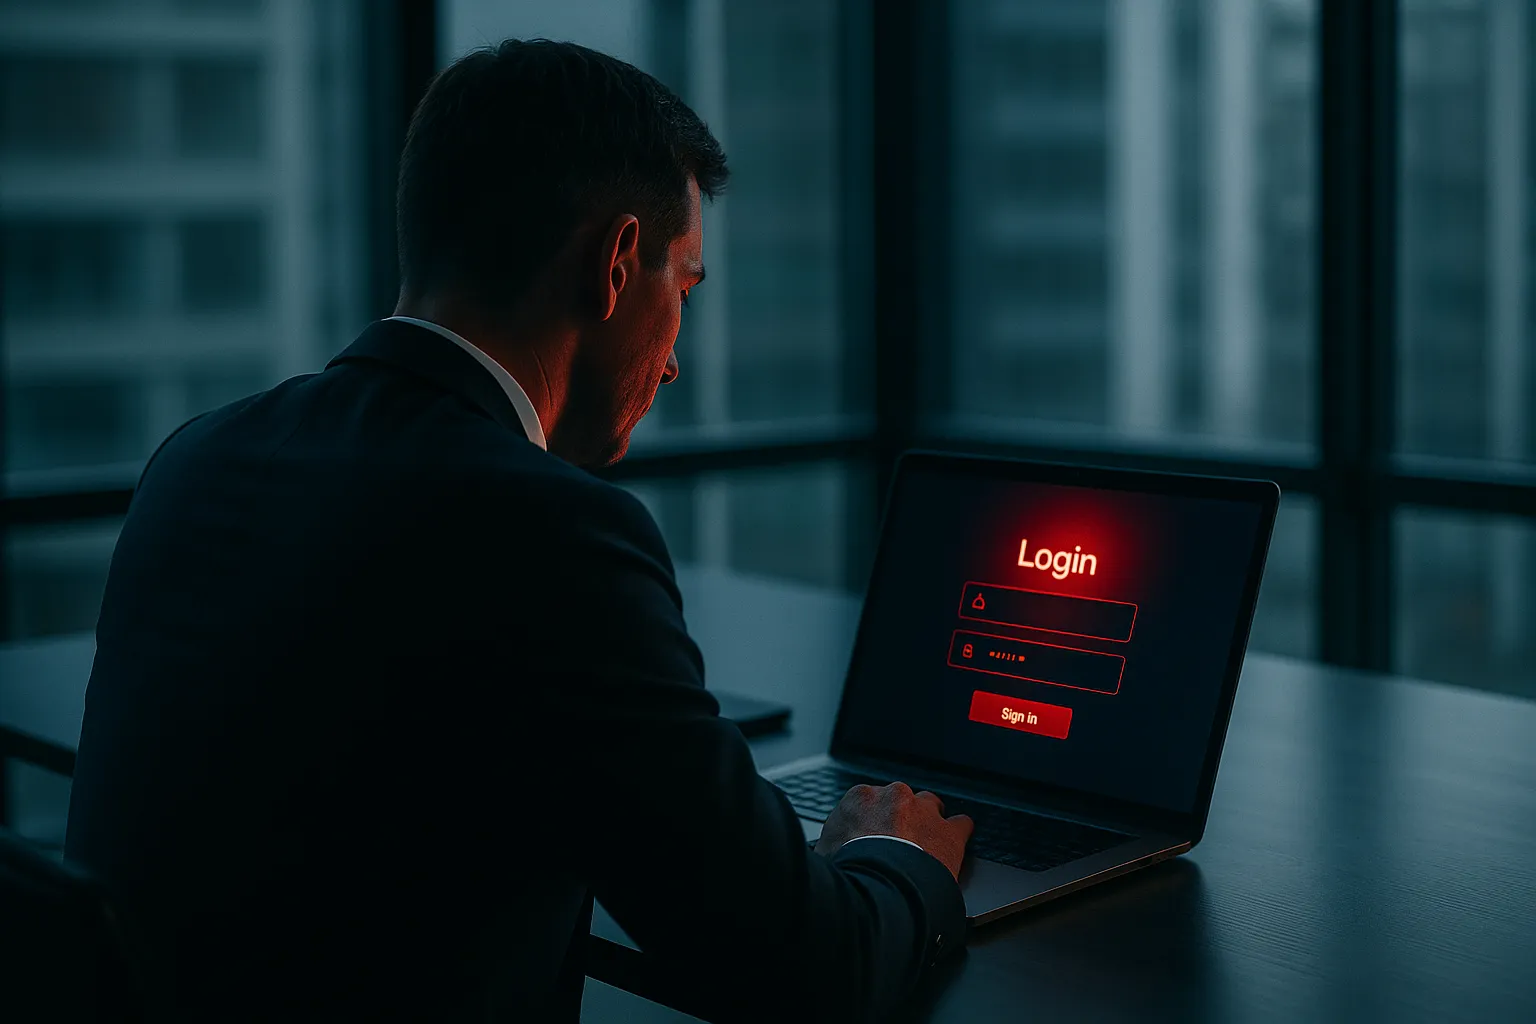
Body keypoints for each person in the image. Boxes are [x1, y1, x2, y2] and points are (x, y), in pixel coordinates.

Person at [64, 39, 973, 1022]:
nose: (673, 362)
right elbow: (813, 973)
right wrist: (897, 857)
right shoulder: (553, 535)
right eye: (687, 288)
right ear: (618, 262)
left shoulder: (196, 458)